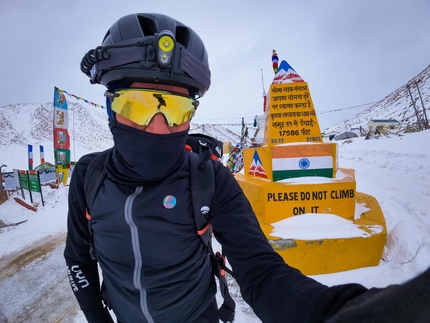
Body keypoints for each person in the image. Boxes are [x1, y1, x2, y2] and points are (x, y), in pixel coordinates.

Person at [64, 13, 430, 323]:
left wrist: (339, 311)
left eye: (176, 111)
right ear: (111, 104)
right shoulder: (89, 178)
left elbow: (261, 271)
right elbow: (78, 259)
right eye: (137, 105)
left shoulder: (207, 178)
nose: (159, 126)